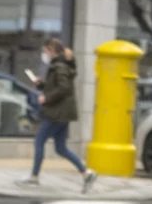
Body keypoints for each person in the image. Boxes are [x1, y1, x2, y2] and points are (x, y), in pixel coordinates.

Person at [19, 38, 96, 192]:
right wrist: (41, 85)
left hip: (56, 112)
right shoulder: (60, 66)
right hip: (62, 113)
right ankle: (86, 173)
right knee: (61, 148)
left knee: (39, 141)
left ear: (51, 50)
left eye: (45, 51)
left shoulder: (59, 67)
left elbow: (63, 88)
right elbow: (57, 86)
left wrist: (46, 97)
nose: (44, 54)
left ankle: (34, 177)